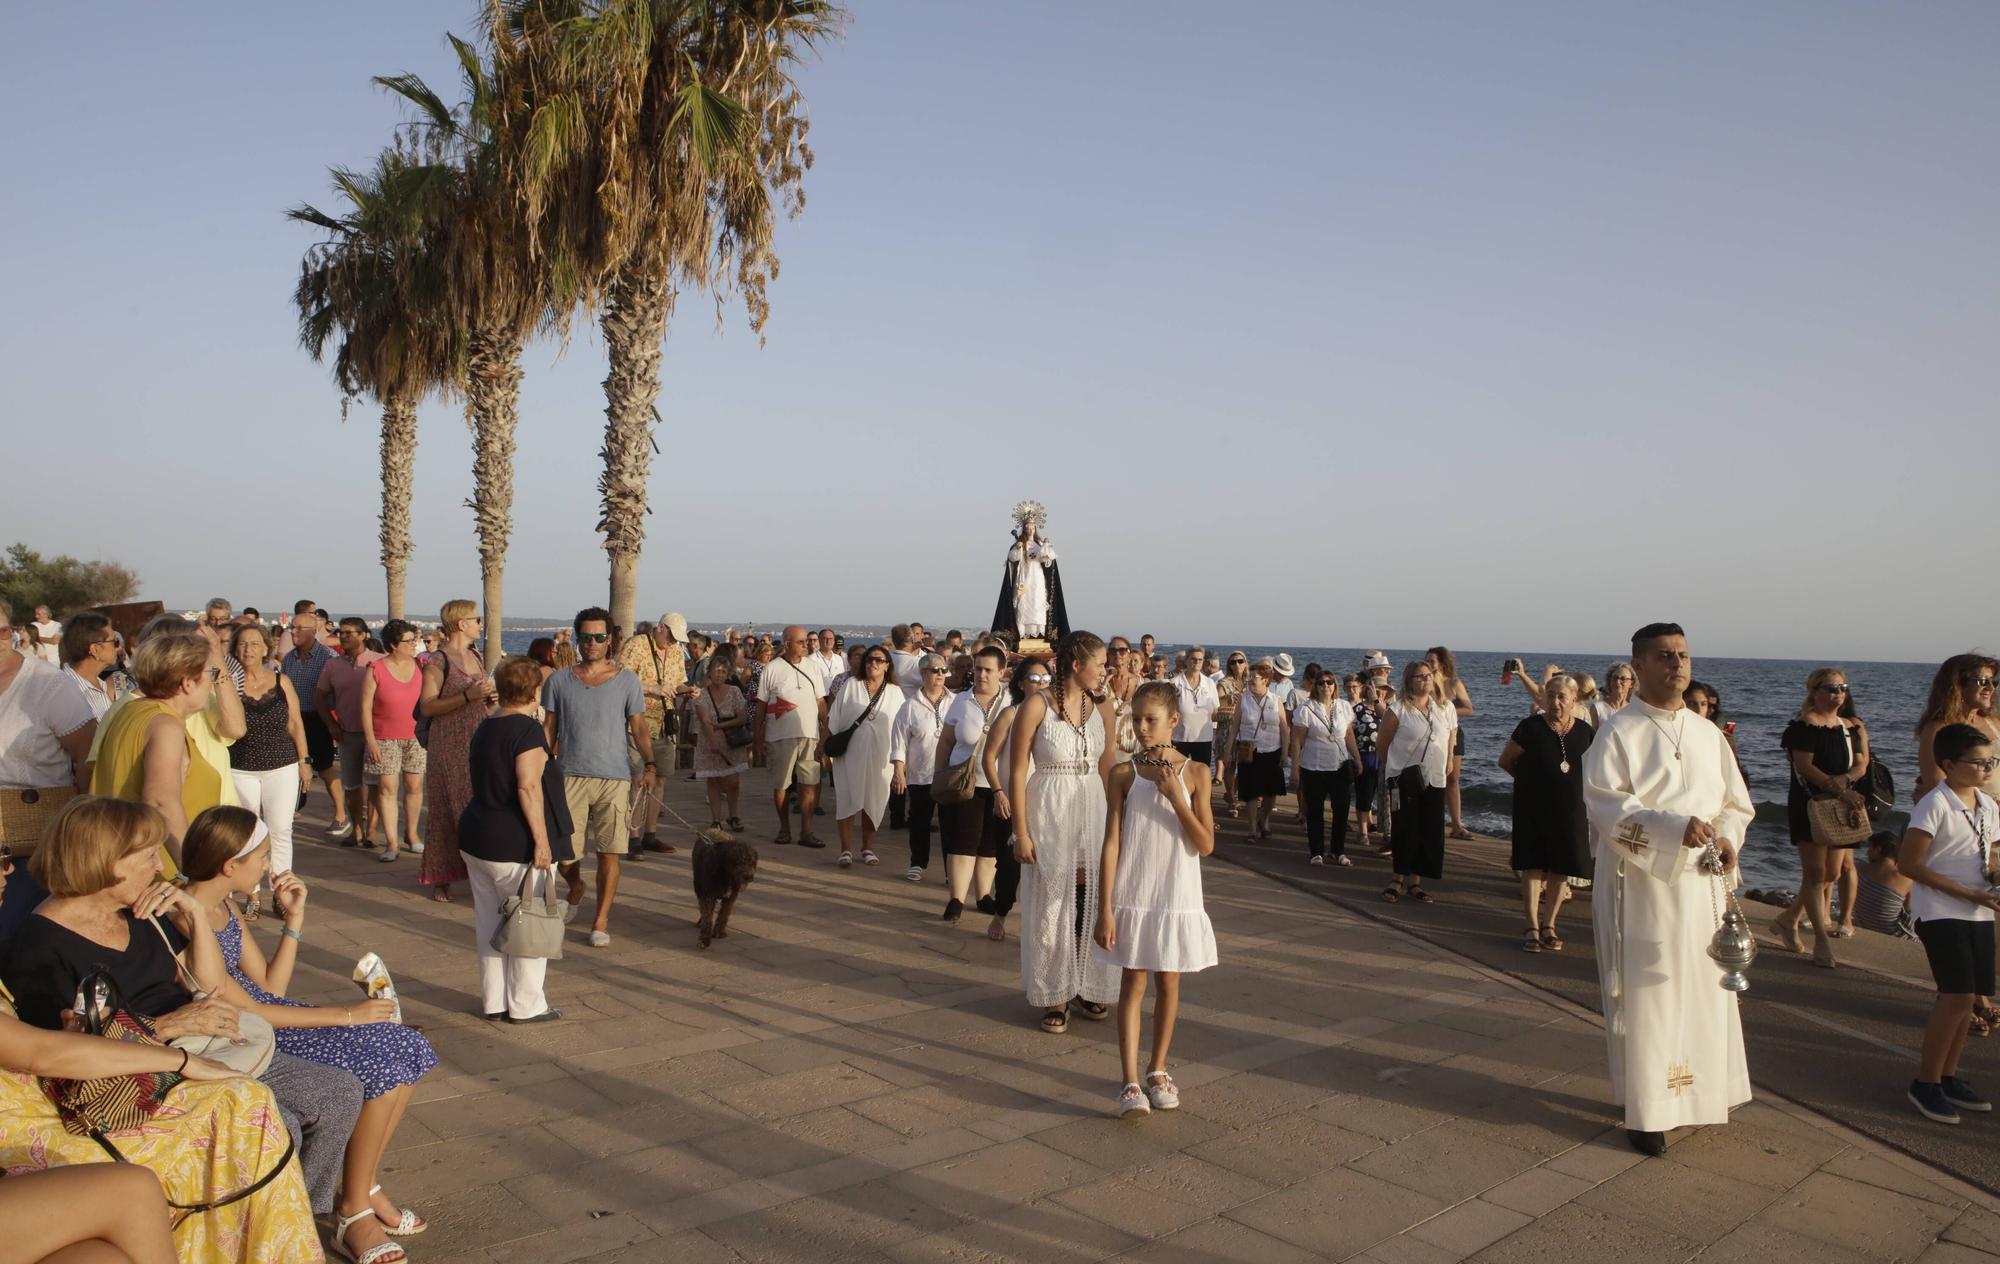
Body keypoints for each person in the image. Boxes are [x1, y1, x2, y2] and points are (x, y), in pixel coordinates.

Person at [1, 797, 375, 1249]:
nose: (159, 864)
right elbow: (70, 1055)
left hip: (207, 1041)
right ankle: (246, 1239)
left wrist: (195, 917)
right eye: (146, 855)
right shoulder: (41, 948)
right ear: (108, 862)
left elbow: (211, 984)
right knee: (276, 1121)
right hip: (141, 1072)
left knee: (337, 1092)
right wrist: (169, 1028)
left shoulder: (140, 913)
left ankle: (301, 1221)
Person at [176, 806, 438, 1247]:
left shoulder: (221, 903)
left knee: (408, 1046)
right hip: (249, 1033)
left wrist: (294, 922)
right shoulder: (186, 918)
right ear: (229, 865)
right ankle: (354, 1207)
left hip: (274, 1017)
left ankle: (364, 1182)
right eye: (261, 857)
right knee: (383, 1068)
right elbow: (249, 1012)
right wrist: (347, 1015)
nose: (267, 865)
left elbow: (270, 989)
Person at [1582, 622, 1754, 1158]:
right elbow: (1605, 804)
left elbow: (1735, 802)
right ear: (1637, 665)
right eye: (1664, 656)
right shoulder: (1619, 732)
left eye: (1683, 654)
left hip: (1702, 885)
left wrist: (1727, 837)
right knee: (1648, 994)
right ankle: (1648, 1108)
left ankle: (1704, 1094)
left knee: (1704, 987)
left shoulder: (1707, 733)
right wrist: (1669, 827)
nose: (1677, 664)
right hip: (1643, 884)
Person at [1092, 681, 1217, 1117]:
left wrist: (1176, 797)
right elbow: (1111, 842)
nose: (1143, 728)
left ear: (1173, 721)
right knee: (1133, 981)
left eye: (1152, 719)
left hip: (1175, 892)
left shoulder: (1198, 773)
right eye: (1137, 719)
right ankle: (1128, 1080)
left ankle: (1158, 1068)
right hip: (1135, 890)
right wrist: (1104, 907)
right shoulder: (1123, 774)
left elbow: (1204, 844)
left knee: (1169, 980)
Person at [1010, 633, 1120, 1034]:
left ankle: (1089, 983)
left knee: (1091, 894)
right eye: (1101, 664)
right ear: (1077, 664)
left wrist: (1119, 814)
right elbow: (1018, 769)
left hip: (1091, 805)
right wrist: (1019, 832)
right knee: (1052, 901)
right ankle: (1054, 992)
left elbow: (1107, 764)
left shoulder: (1102, 708)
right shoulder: (1036, 706)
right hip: (1050, 807)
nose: (1106, 670)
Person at [1896, 724, 2000, 1125]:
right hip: (1940, 910)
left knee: (1970, 997)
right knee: (1954, 997)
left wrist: (1991, 877)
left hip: (1977, 909)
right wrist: (1968, 892)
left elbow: (1986, 852)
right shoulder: (1934, 804)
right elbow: (1909, 864)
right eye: (1978, 762)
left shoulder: (1988, 806)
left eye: (1991, 761)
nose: (1987, 769)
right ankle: (1925, 1082)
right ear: (1949, 764)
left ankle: (1949, 1075)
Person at [461, 655, 567, 1021]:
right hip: (512, 842)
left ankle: (495, 1000)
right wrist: (541, 840)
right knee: (528, 921)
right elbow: (528, 786)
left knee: (489, 921)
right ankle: (526, 1004)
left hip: (478, 836)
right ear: (535, 690)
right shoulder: (526, 730)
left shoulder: (487, 725)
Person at [543, 608, 651, 948]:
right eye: (586, 637)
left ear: (610, 640)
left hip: (614, 778)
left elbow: (638, 726)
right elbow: (549, 728)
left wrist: (649, 764)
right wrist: (539, 766)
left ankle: (600, 920)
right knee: (564, 857)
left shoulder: (628, 680)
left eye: (599, 637)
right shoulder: (559, 681)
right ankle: (575, 887)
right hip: (568, 776)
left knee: (610, 853)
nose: (592, 643)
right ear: (577, 638)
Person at [90, 631, 220, 871]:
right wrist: (192, 874)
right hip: (160, 873)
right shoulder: (165, 726)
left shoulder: (132, 711)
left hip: (119, 857)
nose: (213, 681)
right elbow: (161, 802)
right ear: (187, 683)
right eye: (211, 673)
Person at [1771, 668, 1870, 969]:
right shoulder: (1805, 726)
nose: (1838, 693)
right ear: (1814, 691)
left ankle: (1789, 917)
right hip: (1810, 803)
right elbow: (1805, 767)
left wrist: (1848, 781)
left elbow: (1863, 762)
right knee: (1815, 872)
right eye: (1830, 688)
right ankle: (1821, 943)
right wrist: (1838, 788)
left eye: (1842, 687)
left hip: (1841, 803)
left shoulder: (1852, 726)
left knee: (1832, 873)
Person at [1500, 674, 1594, 952]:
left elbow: (1595, 769)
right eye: (1550, 695)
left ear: (1573, 700)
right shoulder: (1530, 727)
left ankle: (1549, 925)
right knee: (1533, 866)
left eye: (1562, 696)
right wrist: (1530, 783)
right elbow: (1505, 761)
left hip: (1570, 809)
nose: (1555, 701)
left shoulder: (1586, 731)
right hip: (1533, 807)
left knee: (1560, 868)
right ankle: (1531, 926)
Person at [226, 623, 309, 917]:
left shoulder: (281, 681)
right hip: (241, 766)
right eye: (242, 644)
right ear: (235, 649)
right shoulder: (228, 682)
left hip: (281, 764)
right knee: (248, 832)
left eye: (254, 643)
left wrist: (304, 762)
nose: (248, 649)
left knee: (281, 830)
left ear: (265, 648)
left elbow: (296, 723)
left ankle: (281, 891)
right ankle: (251, 892)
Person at [416, 600, 493, 902]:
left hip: (478, 738)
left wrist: (486, 698)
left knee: (478, 804)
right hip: (448, 743)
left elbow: (478, 695)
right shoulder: (438, 660)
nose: (480, 624)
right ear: (461, 624)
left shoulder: (475, 655)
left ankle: (480, 872)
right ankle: (442, 875)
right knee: (449, 807)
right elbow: (428, 705)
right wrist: (466, 695)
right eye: (476, 619)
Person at [937, 645, 1011, 925]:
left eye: (988, 670)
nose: (981, 674)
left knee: (990, 844)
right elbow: (945, 741)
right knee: (963, 841)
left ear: (1001, 672)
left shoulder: (1010, 701)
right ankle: (956, 898)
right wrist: (939, 774)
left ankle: (983, 896)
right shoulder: (961, 701)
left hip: (997, 784)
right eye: (978, 668)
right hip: (964, 782)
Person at [1378, 659, 1457, 904]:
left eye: (1428, 676)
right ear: (1409, 681)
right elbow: (1383, 746)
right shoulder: (1398, 710)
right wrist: (1395, 771)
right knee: (1405, 829)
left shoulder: (1444, 708)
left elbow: (1451, 734)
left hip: (1434, 778)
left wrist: (1450, 759)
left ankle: (1416, 881)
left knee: (1429, 830)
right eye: (1419, 676)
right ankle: (1397, 879)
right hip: (1406, 779)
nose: (1425, 680)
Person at [620, 612, 696, 855]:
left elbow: (677, 683)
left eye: (677, 639)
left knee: (661, 779)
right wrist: (652, 688)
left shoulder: (675, 651)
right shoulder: (636, 645)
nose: (673, 642)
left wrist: (688, 690)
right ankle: (633, 837)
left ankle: (650, 834)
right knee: (638, 780)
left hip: (665, 724)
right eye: (671, 636)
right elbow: (621, 680)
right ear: (660, 628)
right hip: (638, 725)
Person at [825, 646, 905, 869]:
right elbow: (834, 719)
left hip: (881, 755)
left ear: (887, 665)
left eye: (879, 660)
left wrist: (901, 761)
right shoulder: (851, 685)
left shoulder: (895, 692)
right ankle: (845, 849)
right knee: (847, 797)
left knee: (875, 800)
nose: (873, 663)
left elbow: (901, 728)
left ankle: (867, 847)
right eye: (870, 659)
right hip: (850, 753)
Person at [753, 626, 829, 849]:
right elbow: (761, 705)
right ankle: (784, 828)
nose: (806, 645)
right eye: (801, 642)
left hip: (809, 735)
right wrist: (757, 738)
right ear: (787, 644)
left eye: (806, 641)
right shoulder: (772, 669)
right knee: (782, 784)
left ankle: (806, 831)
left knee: (809, 783)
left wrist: (825, 727)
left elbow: (820, 701)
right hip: (780, 736)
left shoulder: (813, 667)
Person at [360, 620, 427, 864]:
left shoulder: (422, 665)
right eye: (409, 641)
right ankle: (391, 842)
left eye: (414, 639)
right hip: (384, 737)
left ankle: (412, 833)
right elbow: (365, 707)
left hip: (415, 737)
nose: (414, 644)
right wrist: (371, 741)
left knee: (415, 786)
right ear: (393, 645)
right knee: (387, 789)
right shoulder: (375, 668)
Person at [890, 652, 953, 883]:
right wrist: (899, 771)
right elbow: (899, 740)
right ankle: (917, 862)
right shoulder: (909, 706)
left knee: (950, 824)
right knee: (919, 821)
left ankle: (951, 871)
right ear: (923, 673)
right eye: (934, 670)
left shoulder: (956, 703)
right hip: (920, 774)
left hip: (949, 774)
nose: (939, 674)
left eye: (943, 670)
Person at [316, 617, 380, 846]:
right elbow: (320, 696)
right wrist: (331, 725)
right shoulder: (333, 665)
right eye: (341, 632)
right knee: (352, 784)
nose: (344, 636)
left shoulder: (378, 662)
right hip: (347, 732)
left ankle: (371, 830)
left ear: (364, 635)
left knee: (374, 783)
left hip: (376, 734)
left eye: (350, 633)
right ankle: (357, 830)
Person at [1290, 668, 1360, 867]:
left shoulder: (1344, 707)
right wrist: (1295, 768)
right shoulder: (1306, 709)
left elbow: (1348, 735)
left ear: (1335, 685)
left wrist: (1357, 758)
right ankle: (1316, 852)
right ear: (1315, 686)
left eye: (1329, 682)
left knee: (1342, 809)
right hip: (1314, 767)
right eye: (1321, 683)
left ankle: (1338, 851)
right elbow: (1296, 741)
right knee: (1315, 811)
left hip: (1339, 765)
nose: (1326, 686)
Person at [280, 611, 342, 830]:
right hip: (294, 719)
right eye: (292, 628)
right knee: (292, 764)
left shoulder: (328, 658)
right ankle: (292, 807)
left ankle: (341, 815)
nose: (293, 632)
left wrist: (333, 722)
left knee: (324, 767)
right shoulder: (289, 658)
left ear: (313, 631)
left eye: (298, 628)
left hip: (317, 717)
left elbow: (336, 693)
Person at [1914, 655, 2000, 799]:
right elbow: (1939, 789)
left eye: (1994, 682)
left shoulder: (1994, 724)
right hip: (1971, 817)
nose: (1990, 688)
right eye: (1982, 681)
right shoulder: (1937, 730)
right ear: (1957, 685)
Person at [1232, 659, 1290, 842]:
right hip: (1249, 750)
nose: (1250, 680)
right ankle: (1251, 828)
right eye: (1249, 676)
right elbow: (1234, 727)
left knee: (1271, 793)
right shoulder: (1243, 699)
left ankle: (1263, 819)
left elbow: (1284, 728)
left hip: (1272, 750)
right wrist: (1227, 753)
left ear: (1265, 679)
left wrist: (1284, 753)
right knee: (1251, 792)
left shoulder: (1276, 700)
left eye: (1254, 677)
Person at [1425, 648, 1476, 840]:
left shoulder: (1453, 683)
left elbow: (1468, 708)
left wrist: (1445, 709)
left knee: (1452, 778)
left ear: (1442, 664)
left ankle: (1456, 824)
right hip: (1428, 734)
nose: (1429, 664)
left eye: (1432, 661)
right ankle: (1431, 821)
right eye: (1426, 660)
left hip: (1452, 733)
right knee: (1430, 777)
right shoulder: (1424, 683)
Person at [58, 610, 119, 720]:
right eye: (115, 642)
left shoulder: (99, 684)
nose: (118, 647)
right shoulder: (70, 693)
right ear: (95, 649)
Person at [1346, 675, 1382, 849]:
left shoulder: (1389, 709)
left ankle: (1386, 830)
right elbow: (1349, 733)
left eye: (1385, 689)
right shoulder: (1357, 709)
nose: (1380, 691)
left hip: (1383, 756)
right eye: (1377, 688)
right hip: (1365, 755)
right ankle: (1363, 830)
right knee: (1365, 794)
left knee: (1385, 796)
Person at [1171, 648, 1219, 768]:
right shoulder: (1174, 683)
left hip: (1203, 739)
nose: (1197, 662)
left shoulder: (1210, 683)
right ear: (1186, 661)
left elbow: (1215, 710)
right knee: (1177, 774)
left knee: (1202, 776)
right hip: (1180, 738)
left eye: (1200, 659)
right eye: (1193, 659)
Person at [1588, 662, 1635, 730]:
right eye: (1615, 678)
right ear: (1610, 681)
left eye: (1623, 678)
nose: (1618, 682)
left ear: (1631, 683)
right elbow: (1593, 738)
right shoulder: (1598, 709)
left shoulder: (1633, 710)